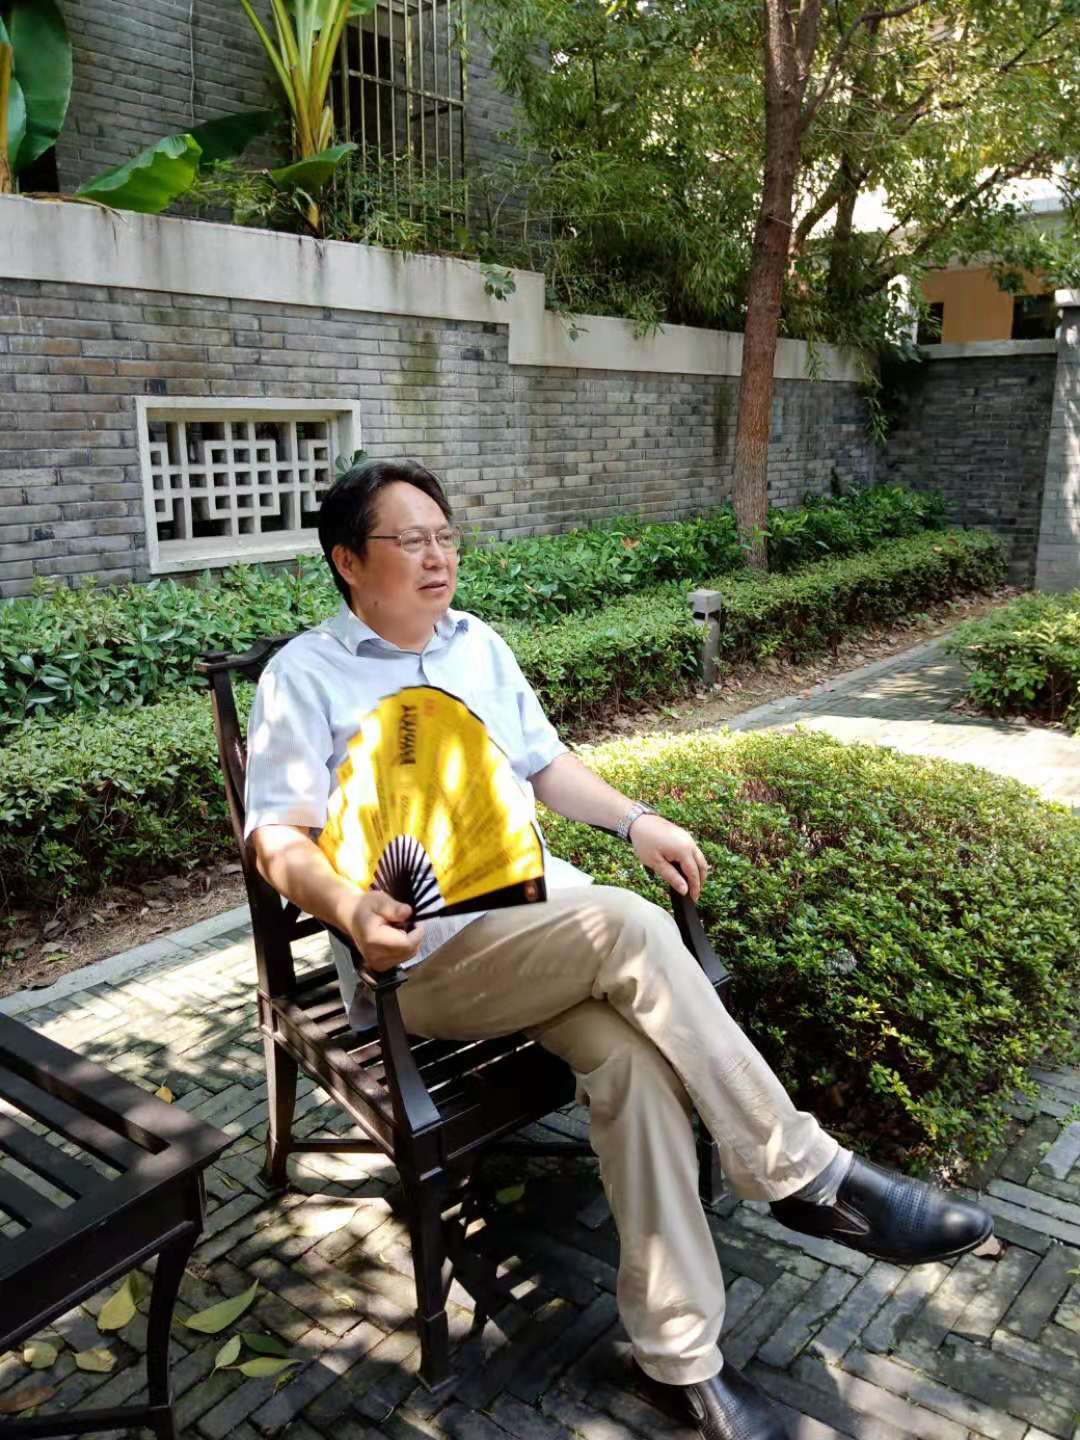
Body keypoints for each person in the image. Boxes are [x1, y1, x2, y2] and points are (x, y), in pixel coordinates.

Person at [244, 459, 992, 1440]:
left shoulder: (478, 645)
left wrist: (637, 820)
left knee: (634, 1067)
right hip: (426, 967)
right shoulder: (306, 675)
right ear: (349, 560)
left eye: (445, 535)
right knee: (627, 923)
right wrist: (347, 905)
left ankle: (679, 1366)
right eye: (410, 540)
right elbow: (275, 838)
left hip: (541, 929)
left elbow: (547, 766)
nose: (437, 556)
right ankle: (808, 1176)